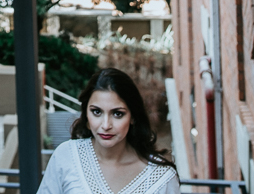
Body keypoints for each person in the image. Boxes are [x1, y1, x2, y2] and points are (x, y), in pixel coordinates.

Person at [37, 68, 180, 194]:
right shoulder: (66, 156)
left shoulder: (162, 177)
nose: (105, 125)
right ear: (86, 114)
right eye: (97, 112)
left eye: (117, 114)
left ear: (133, 117)